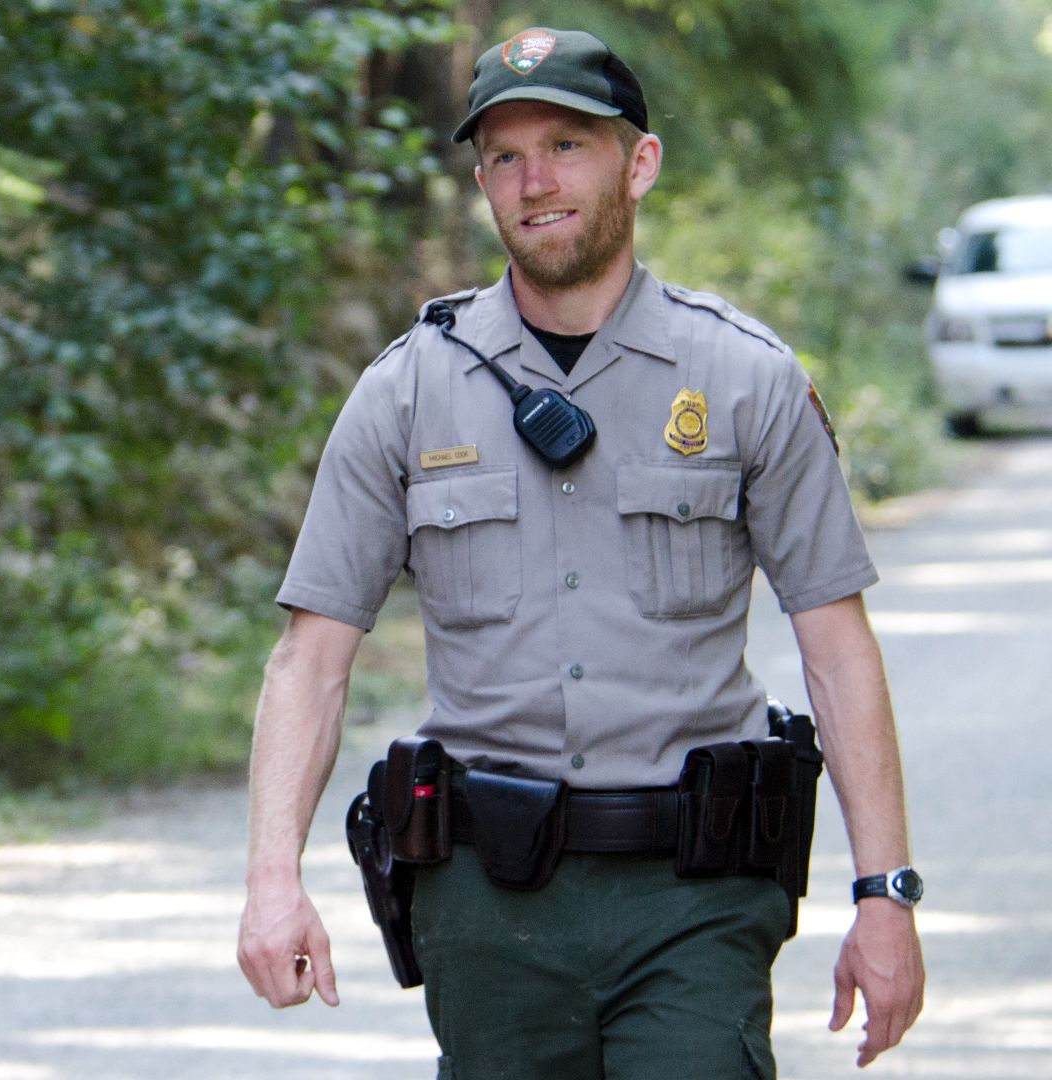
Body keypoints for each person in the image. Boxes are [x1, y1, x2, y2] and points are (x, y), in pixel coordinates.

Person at [236, 28, 925, 1077]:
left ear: (638, 163)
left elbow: (837, 647)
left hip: (696, 897)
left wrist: (885, 895)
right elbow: (310, 660)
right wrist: (271, 880)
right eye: (505, 157)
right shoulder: (406, 393)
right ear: (482, 184)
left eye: (567, 145)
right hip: (486, 907)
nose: (536, 181)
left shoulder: (745, 379)